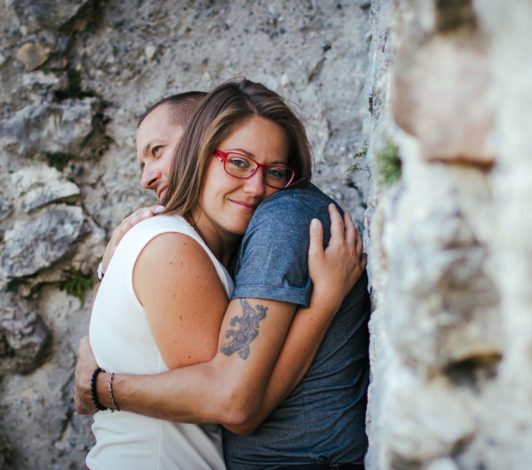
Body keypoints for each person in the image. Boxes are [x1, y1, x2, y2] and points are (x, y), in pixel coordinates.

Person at [77, 79, 370, 469]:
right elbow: (234, 402)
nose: (255, 187)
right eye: (238, 162)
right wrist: (324, 303)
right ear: (199, 154)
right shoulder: (171, 247)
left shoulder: (202, 249)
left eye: (275, 172)